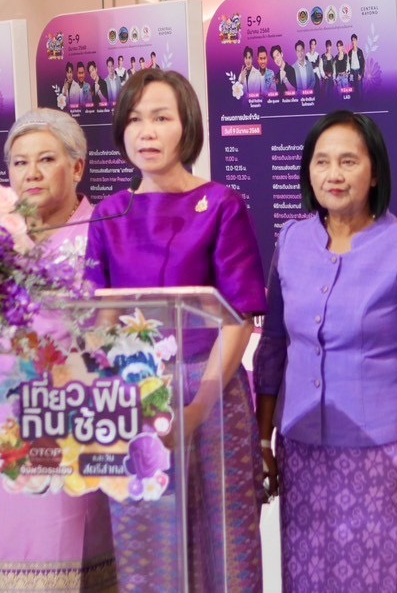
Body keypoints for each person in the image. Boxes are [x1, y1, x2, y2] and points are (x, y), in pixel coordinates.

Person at [255, 111, 397, 592]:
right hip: (302, 453)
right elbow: (274, 347)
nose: (333, 174)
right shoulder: (292, 238)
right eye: (321, 162)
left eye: (348, 161)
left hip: (383, 459)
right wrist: (263, 441)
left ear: (376, 171)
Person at [85, 68, 266, 592]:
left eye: (161, 118)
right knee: (146, 544)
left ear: (186, 127)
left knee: (224, 543)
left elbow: (238, 319)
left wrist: (197, 407)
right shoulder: (109, 212)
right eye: (135, 120)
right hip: (134, 395)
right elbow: (98, 319)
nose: (147, 132)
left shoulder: (222, 204)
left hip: (210, 392)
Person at [0, 109, 116, 592]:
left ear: (77, 168)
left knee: (65, 566)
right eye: (19, 163)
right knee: (1, 572)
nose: (31, 173)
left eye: (46, 159)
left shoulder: (105, 233)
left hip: (70, 430)